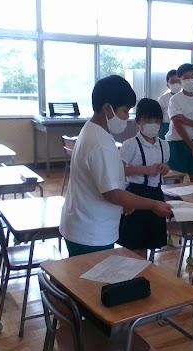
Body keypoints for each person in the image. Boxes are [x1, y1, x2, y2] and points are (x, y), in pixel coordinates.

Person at [59, 75, 172, 257]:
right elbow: (112, 194)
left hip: (85, 224)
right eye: (125, 111)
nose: (127, 117)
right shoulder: (100, 143)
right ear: (107, 108)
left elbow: (106, 181)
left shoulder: (93, 130)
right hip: (91, 233)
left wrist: (124, 203)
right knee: (94, 276)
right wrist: (152, 205)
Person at [118, 98, 170, 256]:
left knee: (150, 240)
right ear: (138, 122)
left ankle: (147, 268)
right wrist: (144, 170)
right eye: (148, 120)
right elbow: (119, 171)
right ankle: (135, 269)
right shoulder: (130, 144)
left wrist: (165, 168)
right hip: (136, 194)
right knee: (134, 243)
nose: (153, 124)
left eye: (156, 121)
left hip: (156, 194)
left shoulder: (164, 144)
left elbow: (166, 166)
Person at [166, 63, 193, 182]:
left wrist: (187, 121)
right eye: (186, 77)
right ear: (180, 80)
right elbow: (178, 125)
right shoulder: (175, 99)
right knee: (175, 181)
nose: (190, 80)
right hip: (177, 144)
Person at [157, 69, 181, 139]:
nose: (176, 83)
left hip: (182, 127)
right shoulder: (162, 99)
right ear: (167, 84)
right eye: (173, 81)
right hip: (166, 128)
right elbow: (158, 117)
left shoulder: (186, 98)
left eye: (178, 81)